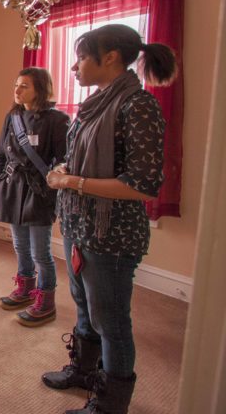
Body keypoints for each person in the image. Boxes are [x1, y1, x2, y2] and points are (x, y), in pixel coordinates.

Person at [43, 24, 176, 414]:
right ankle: (84, 371)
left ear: (111, 57)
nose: (73, 66)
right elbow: (87, 161)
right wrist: (66, 171)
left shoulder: (139, 106)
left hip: (112, 235)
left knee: (111, 321)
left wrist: (73, 181)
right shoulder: (94, 106)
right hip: (78, 225)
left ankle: (110, 404)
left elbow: (144, 185)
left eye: (82, 56)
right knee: (84, 306)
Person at [0, 67, 69, 327]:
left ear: (40, 89)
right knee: (20, 246)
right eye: (16, 85)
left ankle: (46, 302)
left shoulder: (57, 120)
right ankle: (26, 289)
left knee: (41, 252)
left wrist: (56, 180)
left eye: (24, 86)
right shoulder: (12, 117)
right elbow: (1, 155)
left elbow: (64, 160)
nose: (17, 90)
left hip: (39, 192)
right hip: (13, 189)